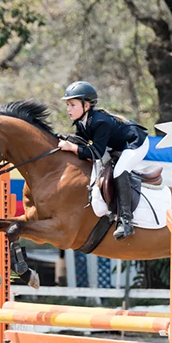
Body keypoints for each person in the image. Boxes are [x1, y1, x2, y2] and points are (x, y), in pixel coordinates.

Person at [58, 81, 149, 240]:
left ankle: (126, 221)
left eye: (72, 105)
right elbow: (82, 141)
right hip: (116, 146)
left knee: (120, 170)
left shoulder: (100, 121)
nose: (68, 109)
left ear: (86, 106)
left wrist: (71, 147)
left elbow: (96, 152)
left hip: (135, 143)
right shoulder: (82, 121)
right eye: (67, 105)